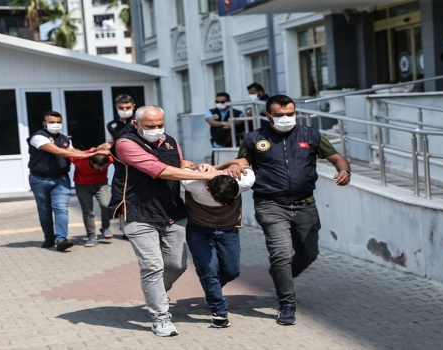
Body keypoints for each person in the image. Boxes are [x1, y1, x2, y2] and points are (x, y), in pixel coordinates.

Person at [221, 95, 351, 326]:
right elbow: (243, 161)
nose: (285, 118)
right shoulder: (254, 138)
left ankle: (280, 275)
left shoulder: (311, 135)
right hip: (270, 204)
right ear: (268, 115)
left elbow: (338, 158)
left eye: (290, 114)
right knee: (280, 254)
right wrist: (234, 165)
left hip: (305, 204)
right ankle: (287, 303)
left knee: (309, 253)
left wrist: (345, 172)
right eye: (279, 115)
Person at [108, 105, 218, 337]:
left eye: (160, 125)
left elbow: (178, 164)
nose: (157, 130)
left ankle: (156, 290)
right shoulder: (124, 144)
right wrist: (204, 176)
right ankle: (160, 317)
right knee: (152, 266)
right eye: (151, 126)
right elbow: (160, 170)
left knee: (177, 265)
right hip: (138, 213)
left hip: (171, 211)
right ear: (136, 124)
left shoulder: (170, 140)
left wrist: (198, 166)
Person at [180, 167, 255, 328]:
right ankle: (219, 311)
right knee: (208, 270)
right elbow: (183, 164)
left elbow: (243, 161)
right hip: (198, 230)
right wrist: (199, 167)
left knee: (231, 271)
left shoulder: (244, 181)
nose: (222, 204)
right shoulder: (192, 183)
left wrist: (234, 166)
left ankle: (212, 287)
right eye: (218, 200)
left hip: (229, 230)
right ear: (208, 188)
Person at [28, 111, 105, 251]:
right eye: (52, 122)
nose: (55, 125)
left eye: (58, 122)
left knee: (61, 208)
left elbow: (71, 150)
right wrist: (88, 155)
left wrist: (88, 152)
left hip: (61, 179)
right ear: (44, 123)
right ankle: (49, 238)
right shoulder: (38, 137)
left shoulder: (64, 138)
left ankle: (61, 239)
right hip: (39, 179)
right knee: (44, 210)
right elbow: (59, 151)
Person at [69, 153, 114, 247]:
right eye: (98, 167)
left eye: (103, 167)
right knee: (88, 211)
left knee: (106, 204)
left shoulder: (109, 160)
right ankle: (92, 237)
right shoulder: (79, 161)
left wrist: (104, 149)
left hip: (101, 184)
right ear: (91, 162)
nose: (101, 169)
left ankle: (105, 227)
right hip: (82, 186)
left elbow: (115, 149)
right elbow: (67, 152)